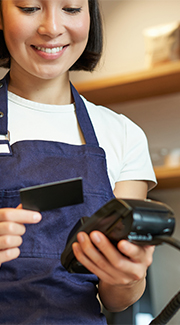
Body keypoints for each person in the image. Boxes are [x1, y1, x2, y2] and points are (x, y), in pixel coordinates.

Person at [0, 0, 157, 324]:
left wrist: (127, 276)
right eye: (29, 8)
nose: (52, 27)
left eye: (71, 8)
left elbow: (116, 299)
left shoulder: (122, 135)